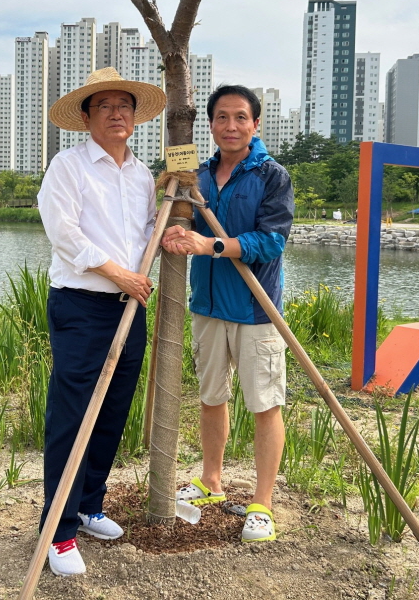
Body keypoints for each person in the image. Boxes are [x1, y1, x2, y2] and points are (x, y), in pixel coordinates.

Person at [36, 67, 167, 577]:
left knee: (113, 410)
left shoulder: (141, 174)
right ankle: (59, 529)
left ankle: (90, 504)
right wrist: (120, 274)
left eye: (125, 105)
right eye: (105, 105)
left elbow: (147, 234)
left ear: (135, 118)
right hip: (82, 304)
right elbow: (63, 233)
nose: (117, 113)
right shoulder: (67, 166)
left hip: (128, 308)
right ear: (86, 117)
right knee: (72, 416)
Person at [161, 85, 294, 543]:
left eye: (241, 117)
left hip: (256, 310)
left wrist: (212, 246)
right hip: (208, 306)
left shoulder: (272, 175)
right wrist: (173, 218)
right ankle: (211, 482)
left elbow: (272, 241)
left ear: (256, 124)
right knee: (211, 396)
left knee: (264, 404)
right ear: (211, 125)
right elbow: (184, 227)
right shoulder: (197, 177)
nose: (231, 126)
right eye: (222, 117)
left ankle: (262, 504)